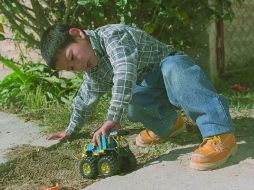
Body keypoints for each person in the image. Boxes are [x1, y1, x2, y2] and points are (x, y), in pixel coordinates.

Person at [40, 23, 237, 170]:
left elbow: (124, 72)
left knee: (173, 68)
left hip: (169, 73)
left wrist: (112, 118)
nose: (79, 66)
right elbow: (84, 99)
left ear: (77, 34)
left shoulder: (112, 35)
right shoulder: (94, 71)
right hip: (151, 91)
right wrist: (70, 130)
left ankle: (219, 132)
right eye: (72, 68)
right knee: (132, 103)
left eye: (73, 58)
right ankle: (169, 125)